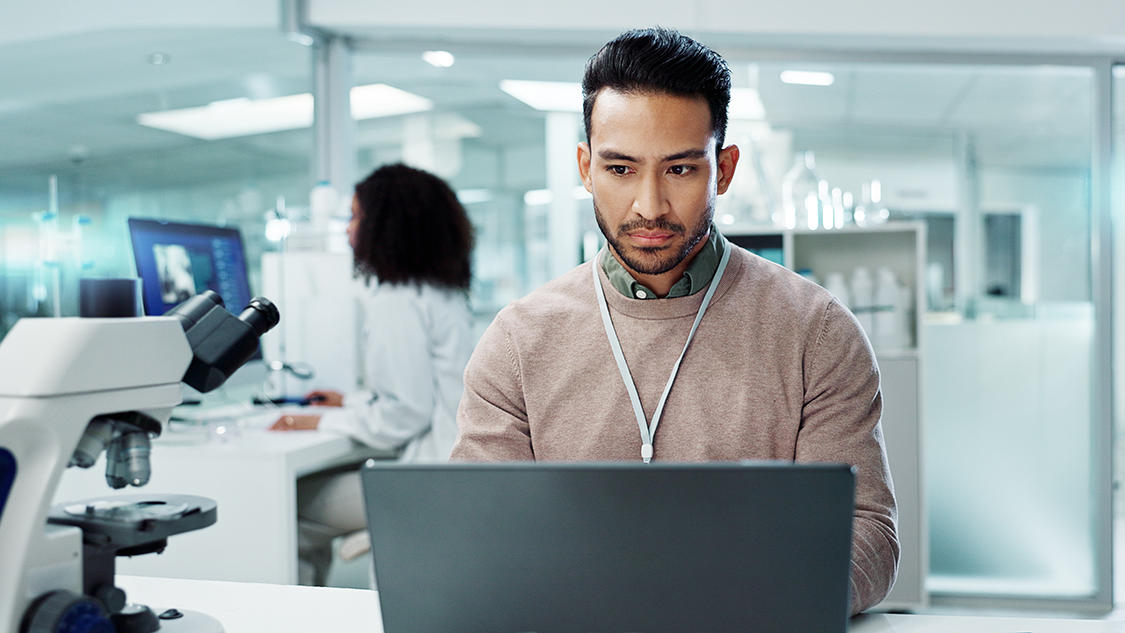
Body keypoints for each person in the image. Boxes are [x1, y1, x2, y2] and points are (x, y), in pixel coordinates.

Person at [450, 27, 898, 615]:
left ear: (725, 169)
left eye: (681, 170)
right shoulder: (517, 340)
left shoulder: (816, 331)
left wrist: (729, 601)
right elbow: (476, 536)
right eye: (620, 170)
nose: (649, 205)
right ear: (586, 167)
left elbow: (867, 537)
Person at [271, 162, 475, 585]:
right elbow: (428, 392)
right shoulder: (441, 293)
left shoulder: (397, 300)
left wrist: (318, 419)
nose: (348, 231)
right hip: (457, 472)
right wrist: (350, 403)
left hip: (425, 482)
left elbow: (404, 414)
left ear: (385, 225)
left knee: (284, 502)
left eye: (355, 217)